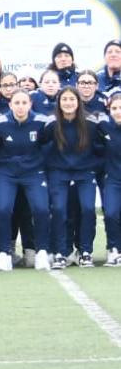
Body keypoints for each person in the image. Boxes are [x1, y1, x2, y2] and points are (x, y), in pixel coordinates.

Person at [0, 89, 51, 271]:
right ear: (10, 105)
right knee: (2, 209)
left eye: (24, 103)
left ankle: (41, 252)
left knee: (41, 209)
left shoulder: (41, 122)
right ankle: (3, 254)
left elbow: (48, 144)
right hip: (6, 173)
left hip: (33, 173)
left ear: (30, 104)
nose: (21, 106)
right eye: (17, 103)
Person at [43, 87, 102, 268]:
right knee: (59, 209)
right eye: (64, 99)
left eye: (72, 99)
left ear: (78, 101)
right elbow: (43, 147)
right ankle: (61, 252)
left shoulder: (91, 123)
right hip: (58, 173)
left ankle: (85, 251)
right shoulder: (52, 123)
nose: (68, 103)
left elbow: (100, 149)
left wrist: (92, 168)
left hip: (85, 173)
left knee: (87, 209)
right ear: (59, 102)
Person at [99, 92, 121, 266]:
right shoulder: (104, 126)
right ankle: (114, 249)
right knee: (111, 213)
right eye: (114, 108)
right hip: (113, 179)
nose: (118, 111)